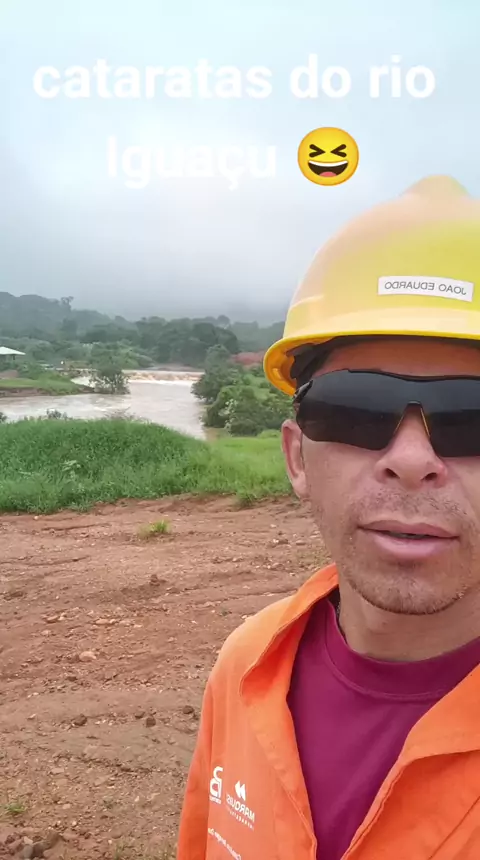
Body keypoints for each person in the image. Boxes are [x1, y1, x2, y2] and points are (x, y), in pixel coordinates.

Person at [176, 175, 480, 860]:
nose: (411, 460)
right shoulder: (249, 665)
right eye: (355, 410)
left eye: (472, 419)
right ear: (297, 458)